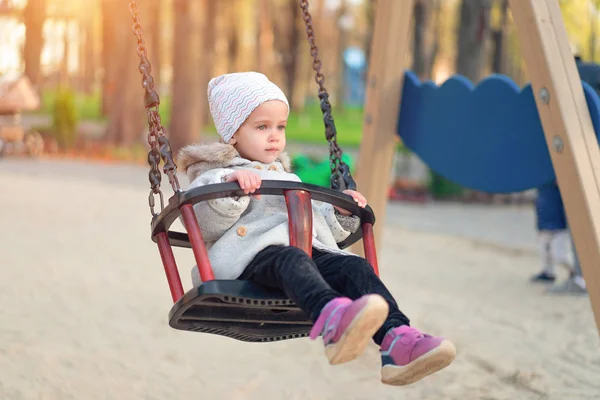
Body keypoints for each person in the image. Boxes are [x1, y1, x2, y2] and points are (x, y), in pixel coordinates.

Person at [176, 72, 456, 386]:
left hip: (304, 255)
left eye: (280, 127)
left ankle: (398, 341)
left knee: (354, 266)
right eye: (262, 127)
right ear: (231, 134)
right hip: (250, 261)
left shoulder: (288, 179)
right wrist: (233, 191)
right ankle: (335, 324)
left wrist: (339, 212)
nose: (274, 136)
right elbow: (202, 222)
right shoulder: (215, 177)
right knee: (291, 259)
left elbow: (319, 227)